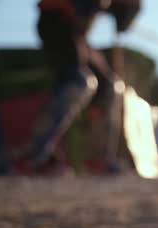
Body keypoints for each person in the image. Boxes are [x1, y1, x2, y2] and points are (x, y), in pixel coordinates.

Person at [26, 0, 142, 173]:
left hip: (75, 32)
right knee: (79, 82)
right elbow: (84, 17)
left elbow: (90, 25)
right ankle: (36, 156)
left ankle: (102, 160)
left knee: (113, 87)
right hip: (55, 22)